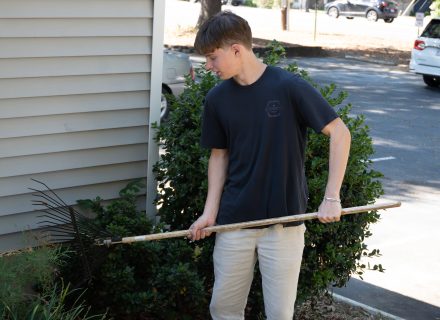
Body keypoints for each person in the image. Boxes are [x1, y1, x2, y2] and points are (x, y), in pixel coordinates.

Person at [189, 11, 351, 320]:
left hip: (285, 224)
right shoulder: (217, 99)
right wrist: (210, 213)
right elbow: (219, 157)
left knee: (279, 314)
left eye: (212, 58)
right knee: (223, 309)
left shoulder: (289, 87)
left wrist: (332, 196)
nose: (208, 66)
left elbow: (340, 134)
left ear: (237, 49)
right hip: (233, 222)